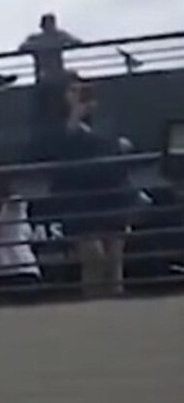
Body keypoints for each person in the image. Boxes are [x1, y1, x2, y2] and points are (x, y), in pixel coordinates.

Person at [48, 72, 135, 298]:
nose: (79, 95)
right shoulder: (55, 123)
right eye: (73, 90)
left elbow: (116, 146)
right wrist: (76, 111)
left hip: (111, 196)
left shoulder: (103, 121)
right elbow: (64, 145)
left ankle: (116, 310)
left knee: (115, 262)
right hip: (81, 202)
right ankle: (93, 309)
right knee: (94, 259)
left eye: (83, 90)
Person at [20, 13, 82, 84]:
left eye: (52, 23)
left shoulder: (59, 36)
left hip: (58, 72)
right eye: (48, 24)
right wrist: (40, 47)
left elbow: (77, 42)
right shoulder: (36, 38)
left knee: (73, 76)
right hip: (43, 74)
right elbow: (22, 47)